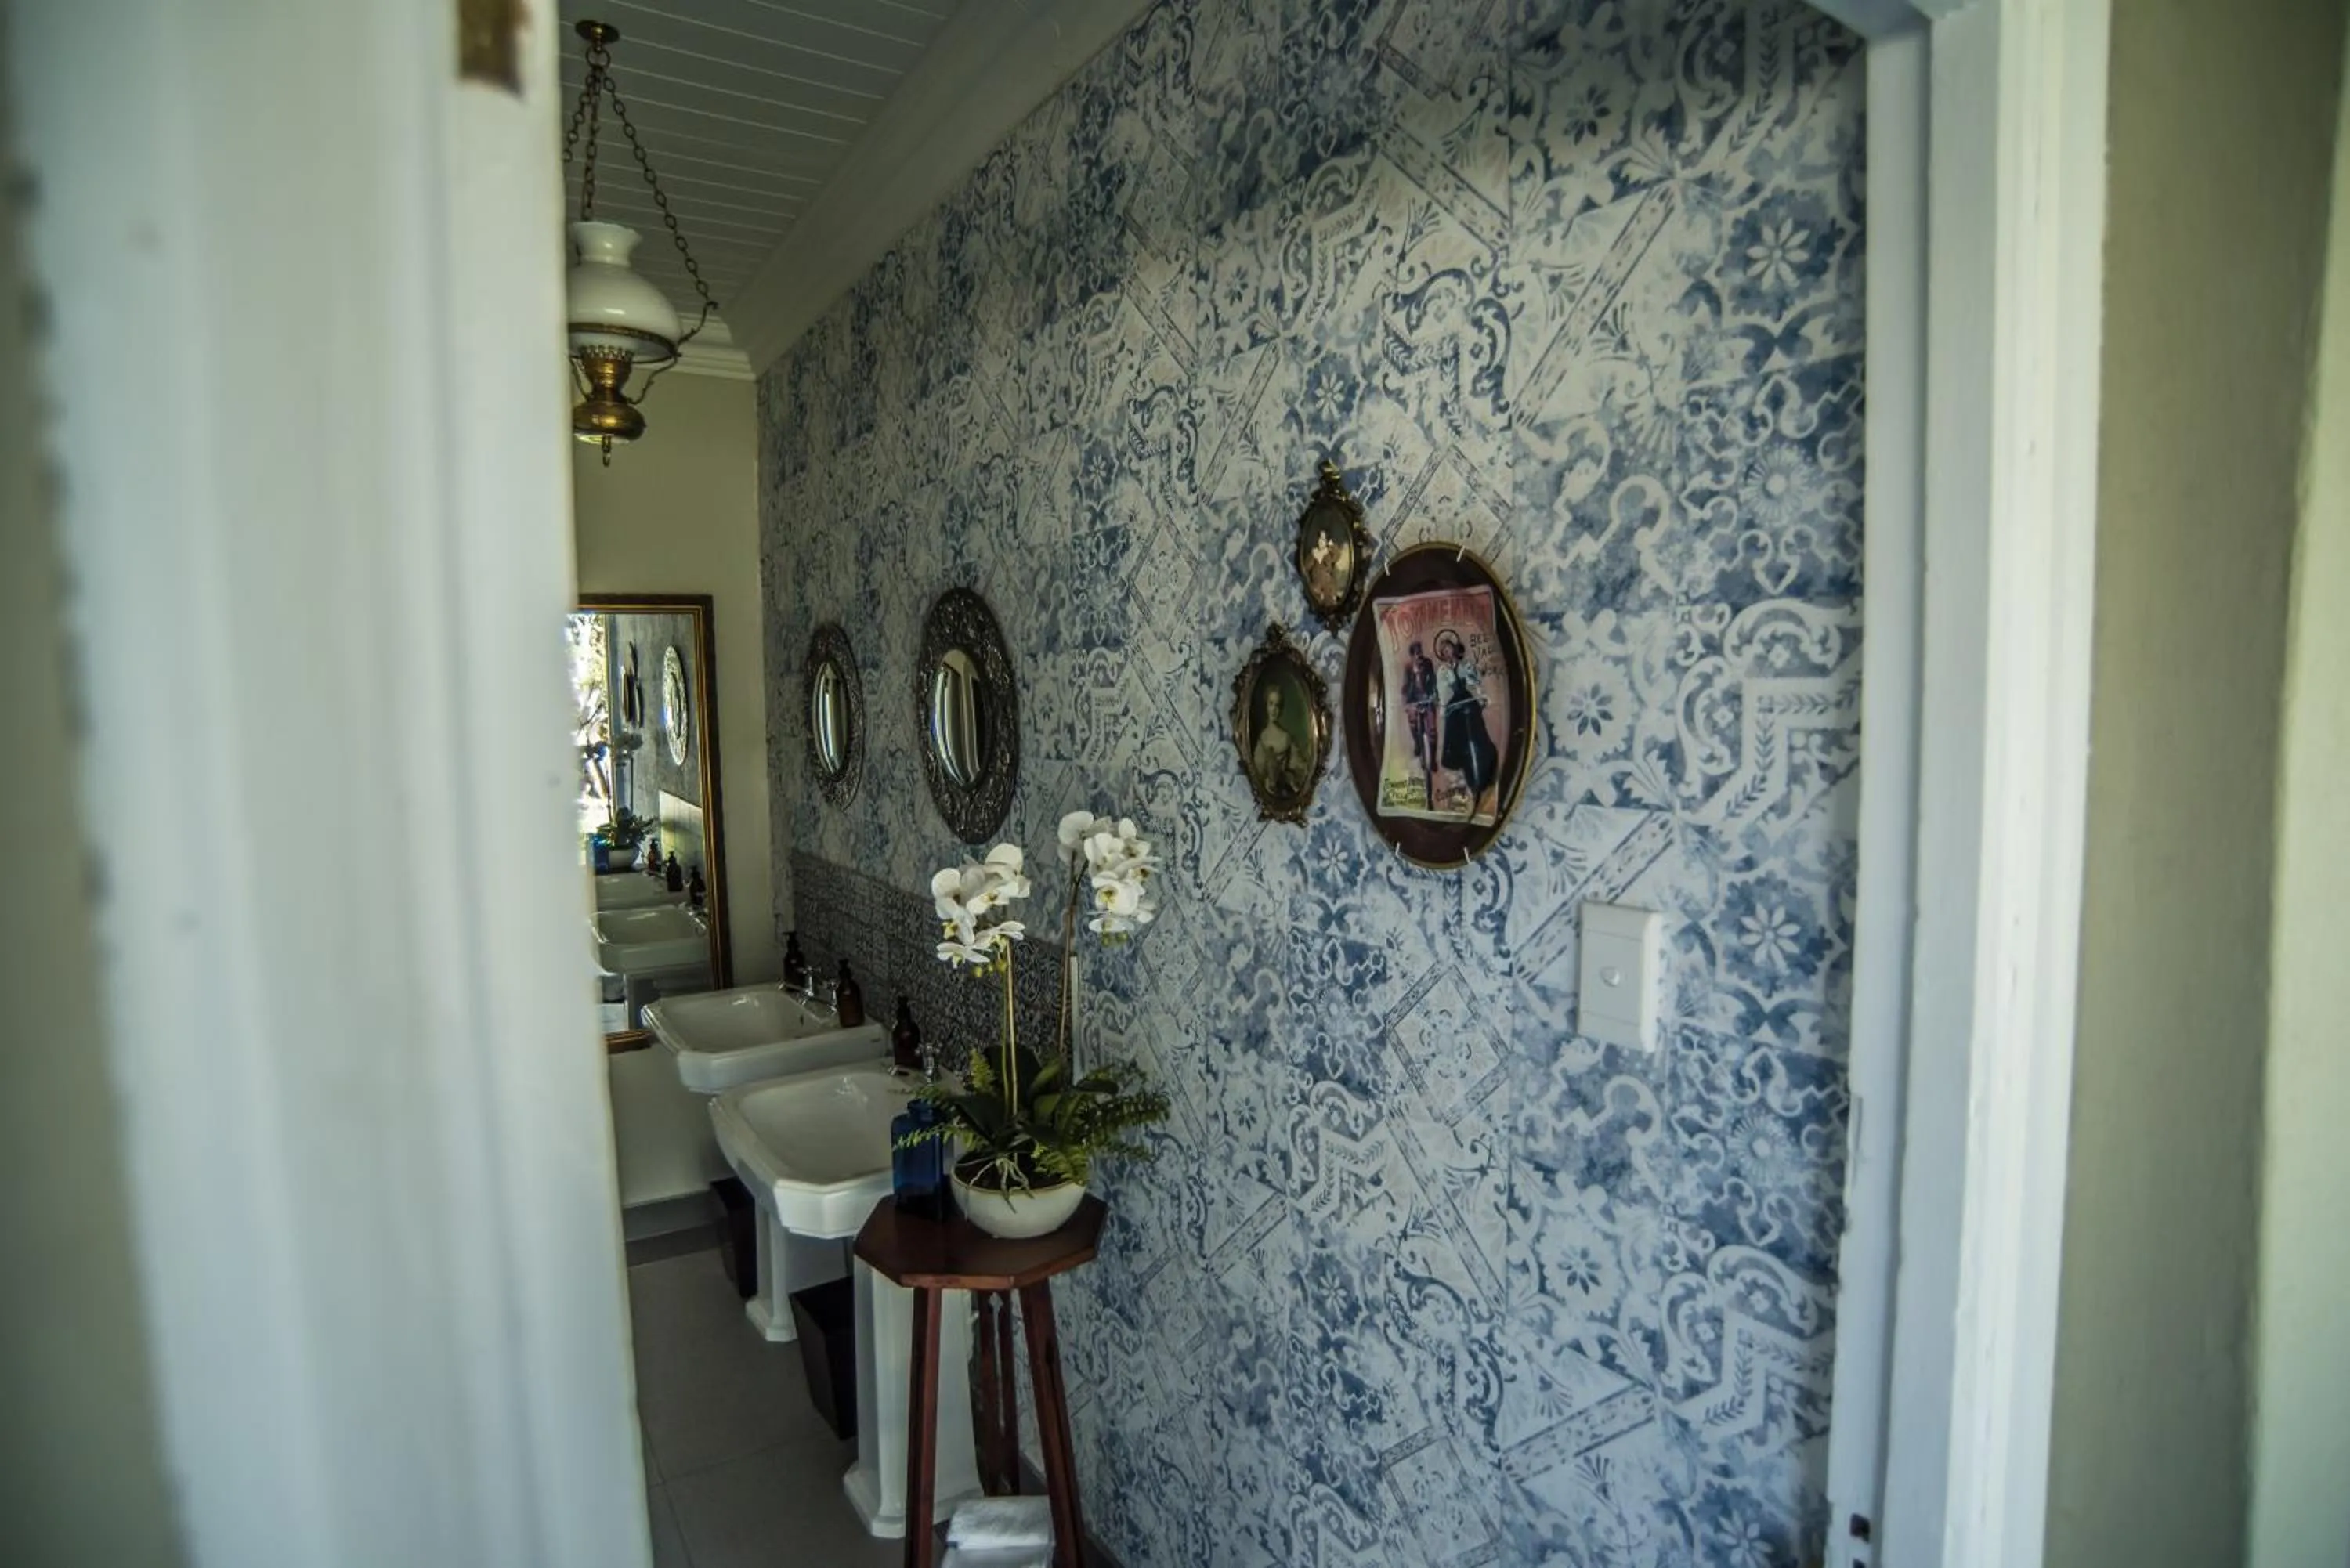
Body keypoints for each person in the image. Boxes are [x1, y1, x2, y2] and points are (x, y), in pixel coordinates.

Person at [1434, 629, 1497, 812]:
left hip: (1468, 702)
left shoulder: (1466, 665)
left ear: (1454, 648)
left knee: (1477, 736)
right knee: (1459, 741)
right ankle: (1470, 778)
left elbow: (1475, 683)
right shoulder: (1443, 671)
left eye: (1448, 648)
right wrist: (1443, 707)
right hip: (1455, 706)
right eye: (1443, 651)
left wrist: (1482, 696)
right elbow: (1442, 692)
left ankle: (1483, 774)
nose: (1447, 652)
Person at [1250, 682, 1310, 798]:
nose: (1274, 709)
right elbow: (1257, 773)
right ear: (1266, 706)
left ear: (1281, 709)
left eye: (1277, 706)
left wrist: (1288, 777)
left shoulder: (1286, 737)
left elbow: (1298, 766)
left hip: (1285, 793)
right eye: (1271, 704)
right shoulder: (1262, 739)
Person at [1400, 640, 1439, 807]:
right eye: (1417, 654)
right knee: (1412, 721)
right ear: (1412, 656)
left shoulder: (1428, 664)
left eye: (1421, 652)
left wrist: (1434, 694)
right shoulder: (1408, 668)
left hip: (1428, 700)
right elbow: (1406, 690)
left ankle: (1433, 759)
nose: (1420, 656)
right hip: (1414, 700)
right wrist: (1414, 675)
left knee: (1432, 731)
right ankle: (1417, 742)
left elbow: (1434, 681)